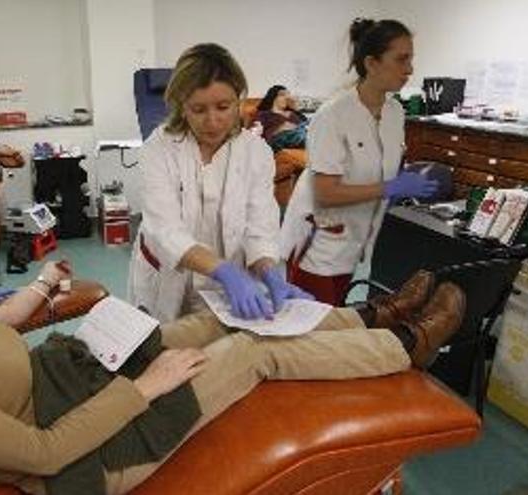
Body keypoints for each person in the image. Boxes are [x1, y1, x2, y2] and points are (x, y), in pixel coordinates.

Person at [0, 220, 466, 495]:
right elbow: (42, 453)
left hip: (73, 371)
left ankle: (371, 314)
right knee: (252, 352)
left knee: (213, 321)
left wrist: (43, 287)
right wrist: (148, 386)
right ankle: (406, 344)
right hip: (90, 453)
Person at [127, 43, 310, 324]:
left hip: (226, 291)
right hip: (168, 281)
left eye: (223, 107)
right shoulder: (159, 149)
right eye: (198, 109)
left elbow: (259, 227)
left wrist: (270, 273)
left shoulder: (255, 152)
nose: (212, 121)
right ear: (181, 106)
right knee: (163, 351)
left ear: (239, 100)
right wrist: (225, 271)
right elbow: (165, 230)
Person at [280, 19, 439, 306]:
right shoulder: (334, 115)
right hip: (320, 244)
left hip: (358, 242)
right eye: (401, 59)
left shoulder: (395, 113)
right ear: (372, 63)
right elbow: (326, 193)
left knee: (337, 316)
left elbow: (382, 170)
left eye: (411, 59)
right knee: (312, 331)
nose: (410, 69)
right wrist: (391, 188)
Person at [254, 85, 309, 152]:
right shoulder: (264, 114)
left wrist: (296, 109)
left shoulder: (293, 114)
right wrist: (280, 128)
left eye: (288, 95)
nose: (287, 97)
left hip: (300, 135)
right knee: (304, 131)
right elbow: (257, 133)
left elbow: (307, 125)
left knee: (309, 126)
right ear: (273, 97)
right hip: (279, 139)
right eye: (282, 95)